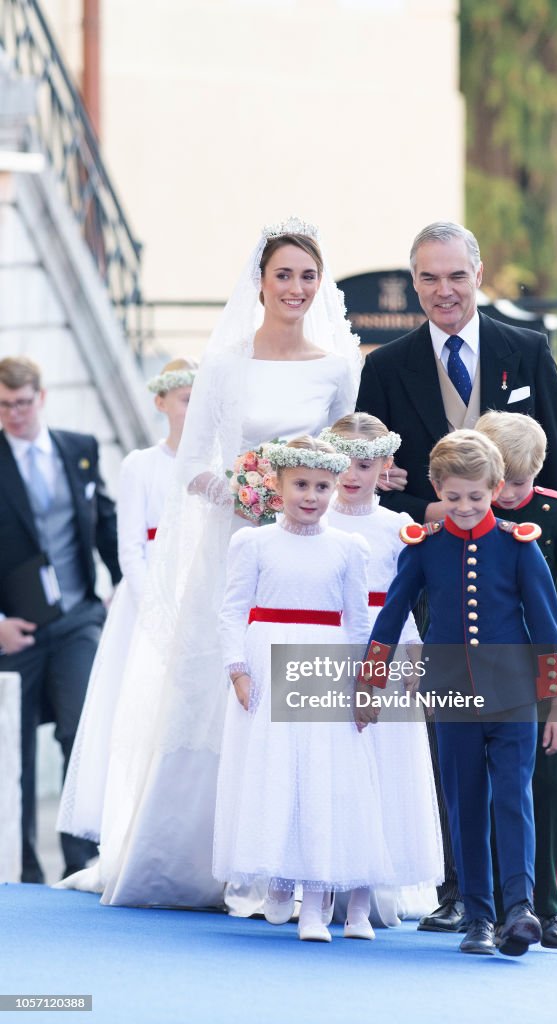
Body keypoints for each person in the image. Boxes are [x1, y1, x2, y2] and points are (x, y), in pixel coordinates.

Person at [58, 218, 361, 909]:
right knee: (220, 693)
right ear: (259, 281)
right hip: (236, 540)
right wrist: (249, 493)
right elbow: (193, 462)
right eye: (283, 274)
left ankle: (296, 861)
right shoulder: (225, 365)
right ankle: (204, 861)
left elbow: (340, 456)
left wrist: (307, 498)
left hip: (306, 558)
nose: (295, 287)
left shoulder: (336, 367)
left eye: (307, 276)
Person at [356, 220, 557, 933]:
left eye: (455, 275)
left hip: (523, 579)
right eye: (428, 277)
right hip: (439, 585)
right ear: (414, 282)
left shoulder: (528, 350)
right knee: (450, 739)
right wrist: (423, 504)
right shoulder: (387, 366)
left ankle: (538, 905)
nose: (443, 291)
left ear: (477, 273)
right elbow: (374, 486)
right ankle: (461, 893)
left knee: (537, 743)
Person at [358, 430, 557, 956]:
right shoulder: (425, 548)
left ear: (496, 488)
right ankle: (478, 916)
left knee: (513, 799)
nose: (466, 507)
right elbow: (391, 615)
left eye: (476, 497)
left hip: (514, 696)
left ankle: (519, 910)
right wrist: (371, 682)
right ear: (436, 488)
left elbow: (547, 630)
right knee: (465, 803)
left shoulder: (518, 545)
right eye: (453, 497)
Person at [215, 435, 392, 942]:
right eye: (301, 485)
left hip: (326, 665)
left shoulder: (348, 547)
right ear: (277, 484)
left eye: (322, 486)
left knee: (320, 778)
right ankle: (278, 877)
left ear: (336, 487)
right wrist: (238, 669)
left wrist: (365, 685)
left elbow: (359, 624)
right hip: (267, 661)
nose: (311, 495)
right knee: (274, 772)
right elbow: (232, 610)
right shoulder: (253, 542)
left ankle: (315, 907)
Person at [476, 409, 557, 948]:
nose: (508, 494)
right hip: (483, 666)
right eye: (499, 482)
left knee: (548, 783)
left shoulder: (555, 513)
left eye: (521, 483)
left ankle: (548, 908)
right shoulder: (467, 515)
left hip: (550, 664)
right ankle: (488, 905)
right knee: (485, 784)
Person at [57, 359, 197, 845]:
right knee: (136, 708)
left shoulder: (218, 467)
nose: (193, 408)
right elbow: (130, 548)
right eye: (184, 398)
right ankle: (126, 826)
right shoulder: (140, 465)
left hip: (197, 596)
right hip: (147, 606)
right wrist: (154, 608)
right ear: (162, 403)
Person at [0, 355, 120, 883]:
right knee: (16, 750)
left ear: (41, 398)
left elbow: (106, 523)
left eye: (22, 403)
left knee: (80, 730)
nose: (14, 415)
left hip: (77, 616)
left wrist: (124, 584)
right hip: (14, 630)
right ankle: (23, 868)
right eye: (4, 406)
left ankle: (80, 860)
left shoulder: (79, 450)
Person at [322, 414, 444, 925]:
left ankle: (369, 886)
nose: (353, 473)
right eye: (345, 462)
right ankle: (318, 878)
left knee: (382, 767)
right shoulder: (315, 520)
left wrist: (415, 654)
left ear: (386, 465)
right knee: (330, 767)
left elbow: (409, 598)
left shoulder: (398, 526)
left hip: (386, 649)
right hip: (329, 647)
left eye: (366, 463)